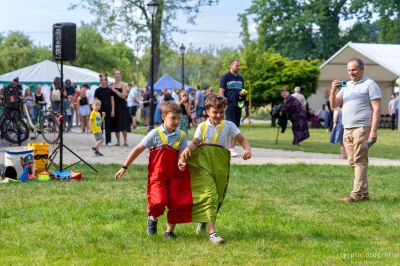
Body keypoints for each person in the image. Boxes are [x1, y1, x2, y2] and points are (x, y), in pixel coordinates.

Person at [179, 93, 252, 245]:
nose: (218, 115)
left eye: (221, 112)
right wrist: (187, 150)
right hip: (204, 165)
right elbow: (195, 143)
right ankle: (213, 232)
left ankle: (204, 220)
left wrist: (247, 149)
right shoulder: (202, 126)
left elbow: (242, 139)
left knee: (218, 197)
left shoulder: (230, 126)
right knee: (210, 195)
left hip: (221, 166)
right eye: (215, 112)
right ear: (207, 110)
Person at [115, 101, 192, 240]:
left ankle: (169, 231)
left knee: (177, 202)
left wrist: (182, 161)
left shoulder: (181, 135)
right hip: (158, 176)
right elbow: (138, 149)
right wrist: (124, 167)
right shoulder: (154, 134)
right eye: (173, 118)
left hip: (175, 175)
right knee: (158, 201)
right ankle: (153, 218)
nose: (176, 121)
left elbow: (182, 153)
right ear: (163, 116)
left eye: (178, 119)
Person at [329, 58, 381, 203]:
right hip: (347, 128)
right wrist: (333, 89)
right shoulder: (346, 85)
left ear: (362, 69)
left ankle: (356, 195)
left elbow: (377, 109)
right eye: (349, 70)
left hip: (362, 128)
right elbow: (334, 105)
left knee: (359, 161)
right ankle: (364, 194)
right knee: (353, 161)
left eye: (354, 70)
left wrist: (373, 131)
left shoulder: (370, 85)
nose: (351, 72)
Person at [219, 59, 244, 157]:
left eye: (239, 65)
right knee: (230, 126)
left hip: (238, 105)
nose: (238, 67)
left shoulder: (240, 78)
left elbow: (242, 90)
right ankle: (227, 147)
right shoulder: (225, 77)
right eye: (236, 65)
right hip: (229, 105)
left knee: (236, 127)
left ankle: (231, 149)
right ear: (231, 65)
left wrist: (242, 94)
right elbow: (221, 92)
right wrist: (223, 105)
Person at [94, 74, 115, 146]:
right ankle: (100, 140)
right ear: (100, 81)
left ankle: (108, 141)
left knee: (108, 126)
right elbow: (95, 101)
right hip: (99, 111)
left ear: (106, 81)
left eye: (104, 80)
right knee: (99, 126)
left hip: (108, 110)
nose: (103, 81)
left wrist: (113, 110)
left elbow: (112, 100)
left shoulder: (110, 90)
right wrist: (95, 110)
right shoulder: (97, 90)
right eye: (102, 80)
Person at [110, 70, 129, 146]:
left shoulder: (123, 85)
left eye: (118, 74)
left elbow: (124, 96)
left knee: (123, 124)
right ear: (114, 76)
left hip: (122, 106)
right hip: (114, 106)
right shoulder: (112, 85)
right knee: (116, 124)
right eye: (115, 74)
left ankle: (125, 140)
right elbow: (111, 97)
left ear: (121, 75)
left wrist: (115, 90)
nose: (117, 75)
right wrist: (112, 109)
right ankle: (118, 141)